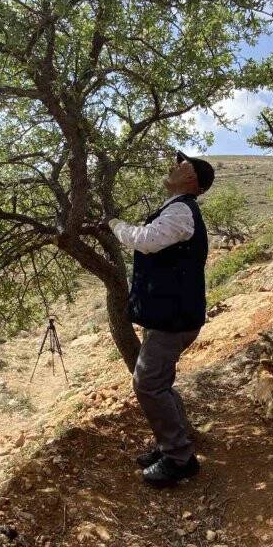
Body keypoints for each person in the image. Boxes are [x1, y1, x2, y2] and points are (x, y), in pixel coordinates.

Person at [105, 150, 214, 487]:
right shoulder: (176, 208)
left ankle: (179, 458)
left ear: (192, 180)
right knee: (159, 383)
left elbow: (148, 241)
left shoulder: (182, 209)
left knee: (148, 384)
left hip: (173, 319)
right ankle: (175, 443)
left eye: (183, 163)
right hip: (171, 316)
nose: (174, 165)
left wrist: (114, 225)